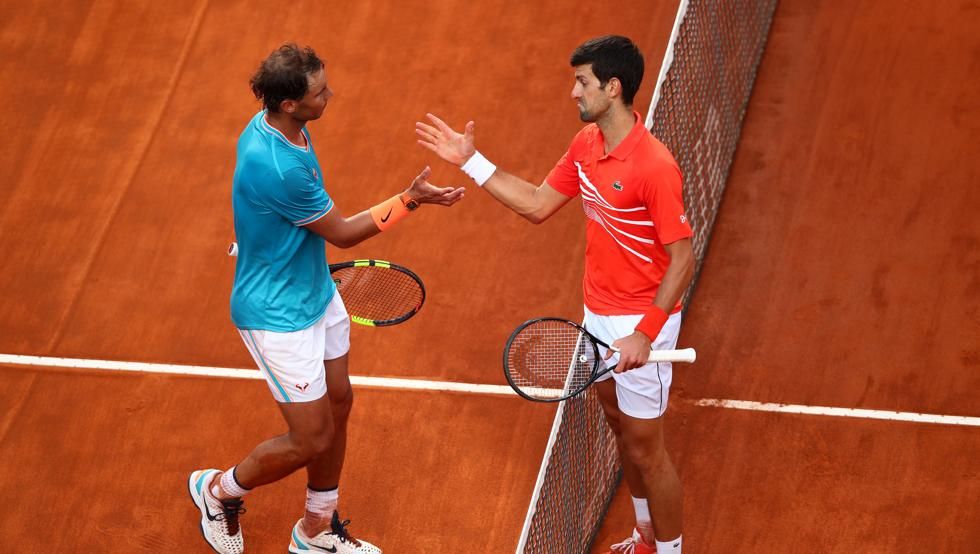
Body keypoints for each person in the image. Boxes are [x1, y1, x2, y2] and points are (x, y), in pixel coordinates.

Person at [416, 35, 693, 554]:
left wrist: (645, 333)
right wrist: (472, 162)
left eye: (582, 82)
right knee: (616, 422)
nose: (573, 92)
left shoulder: (654, 167)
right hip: (598, 310)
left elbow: (683, 258)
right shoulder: (586, 145)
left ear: (612, 88)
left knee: (648, 451)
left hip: (641, 319)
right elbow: (539, 203)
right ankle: (646, 535)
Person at [189, 43, 464, 554]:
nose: (329, 96)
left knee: (340, 403)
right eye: (319, 92)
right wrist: (410, 200)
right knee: (310, 438)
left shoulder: (282, 125)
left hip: (314, 289)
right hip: (277, 315)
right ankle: (218, 490)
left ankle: (315, 529)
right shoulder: (278, 165)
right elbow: (341, 233)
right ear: (289, 103)